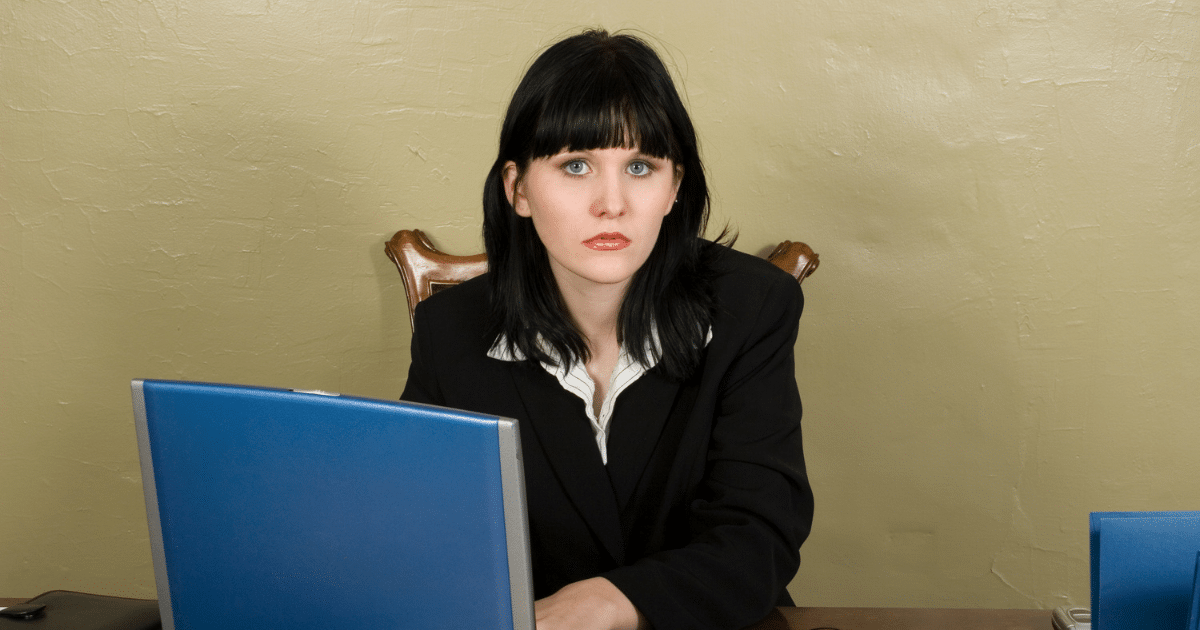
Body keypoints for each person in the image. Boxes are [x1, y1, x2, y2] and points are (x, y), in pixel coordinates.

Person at [401, 29, 813, 630]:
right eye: (576, 165)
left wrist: (619, 601)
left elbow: (762, 534)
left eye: (640, 167)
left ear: (674, 187)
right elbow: (424, 535)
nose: (611, 203)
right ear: (517, 189)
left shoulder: (753, 306)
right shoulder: (449, 329)